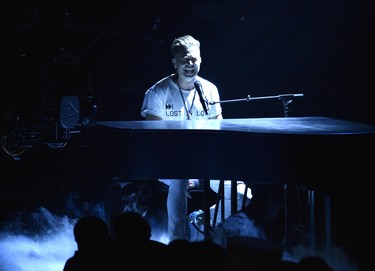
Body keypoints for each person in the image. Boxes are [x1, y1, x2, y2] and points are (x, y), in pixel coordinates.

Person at [140, 34, 252, 242]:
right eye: (185, 60)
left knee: (242, 194)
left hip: (205, 161)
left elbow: (219, 132)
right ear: (175, 62)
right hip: (167, 162)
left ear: (201, 60)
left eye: (194, 59)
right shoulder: (158, 92)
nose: (190, 64)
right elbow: (152, 140)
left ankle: (202, 221)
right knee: (180, 177)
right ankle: (178, 240)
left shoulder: (209, 90)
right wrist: (183, 164)